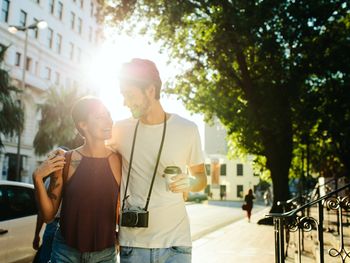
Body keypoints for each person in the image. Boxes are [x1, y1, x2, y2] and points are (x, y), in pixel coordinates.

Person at [108, 58, 207, 263]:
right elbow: (93, 153)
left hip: (176, 245)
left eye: (130, 95)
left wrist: (189, 182)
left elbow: (201, 179)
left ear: (150, 91)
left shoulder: (187, 129)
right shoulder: (119, 129)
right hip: (133, 246)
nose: (125, 102)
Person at [33, 97, 121, 263]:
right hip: (65, 252)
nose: (109, 120)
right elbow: (49, 215)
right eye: (100, 117)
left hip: (105, 254)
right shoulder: (65, 161)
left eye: (108, 115)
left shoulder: (119, 161)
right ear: (83, 124)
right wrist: (37, 178)